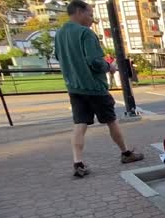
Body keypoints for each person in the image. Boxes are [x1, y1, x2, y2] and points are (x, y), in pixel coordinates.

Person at [55, 0, 143, 178]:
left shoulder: (60, 33)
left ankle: (78, 162)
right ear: (79, 12)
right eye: (90, 14)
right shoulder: (85, 34)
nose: (91, 19)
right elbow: (95, 61)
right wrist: (108, 67)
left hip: (74, 87)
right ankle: (126, 153)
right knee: (111, 121)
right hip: (94, 87)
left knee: (80, 124)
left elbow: (58, 56)